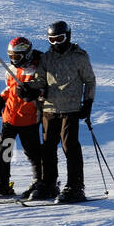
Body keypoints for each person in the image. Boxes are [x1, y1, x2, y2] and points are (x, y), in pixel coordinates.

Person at [31, 20, 97, 204]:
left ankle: (75, 186)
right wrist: (29, 88)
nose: (56, 43)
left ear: (68, 36)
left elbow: (90, 81)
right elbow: (39, 81)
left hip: (71, 109)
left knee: (70, 146)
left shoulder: (79, 57)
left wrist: (88, 102)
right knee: (48, 148)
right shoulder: (46, 58)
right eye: (52, 40)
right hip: (49, 109)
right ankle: (49, 184)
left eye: (59, 39)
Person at [0, 36, 44, 198]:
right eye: (11, 57)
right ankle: (1, 182)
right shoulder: (12, 69)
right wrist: (0, 100)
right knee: (4, 150)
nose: (13, 60)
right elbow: (10, 88)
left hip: (29, 118)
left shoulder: (38, 69)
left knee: (32, 152)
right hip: (10, 117)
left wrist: (35, 94)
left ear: (26, 54)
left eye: (17, 56)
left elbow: (45, 90)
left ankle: (40, 180)